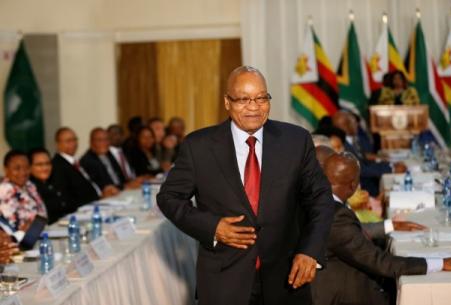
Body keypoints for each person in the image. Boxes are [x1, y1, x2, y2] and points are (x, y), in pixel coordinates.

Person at [157, 66, 335, 305]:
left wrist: (310, 250)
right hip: (224, 281)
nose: (254, 106)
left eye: (261, 98)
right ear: (227, 102)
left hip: (287, 280)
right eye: (243, 99)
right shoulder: (198, 146)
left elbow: (320, 198)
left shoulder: (296, 140)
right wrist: (212, 227)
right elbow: (169, 197)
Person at [311, 153, 451, 305]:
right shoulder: (334, 214)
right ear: (353, 185)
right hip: (343, 294)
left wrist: (390, 225)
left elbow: (350, 237)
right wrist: (441, 263)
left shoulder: (320, 201)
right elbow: (380, 262)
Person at [332, 110, 406, 196]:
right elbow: (361, 170)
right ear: (345, 126)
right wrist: (391, 169)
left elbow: (362, 157)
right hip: (365, 189)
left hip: (369, 181)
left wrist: (388, 163)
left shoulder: (350, 141)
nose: (357, 126)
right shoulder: (342, 145)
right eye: (355, 123)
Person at [51, 127, 107, 208]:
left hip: (98, 202)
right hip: (84, 208)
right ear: (57, 144)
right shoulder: (57, 166)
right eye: (68, 141)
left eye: (75, 140)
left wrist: (102, 193)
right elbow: (69, 196)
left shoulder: (75, 161)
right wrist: (98, 198)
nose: (73, 144)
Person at [0, 150, 48, 241]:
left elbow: (42, 215)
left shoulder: (29, 185)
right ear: (6, 169)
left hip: (39, 236)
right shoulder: (5, 190)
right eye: (17, 168)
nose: (23, 172)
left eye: (26, 168)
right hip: (22, 244)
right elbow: (13, 230)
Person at [81, 127, 141, 192]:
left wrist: (133, 181)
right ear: (91, 142)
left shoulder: (109, 154)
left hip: (121, 191)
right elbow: (103, 186)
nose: (104, 143)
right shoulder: (88, 161)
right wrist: (124, 186)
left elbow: (120, 176)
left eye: (107, 139)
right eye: (100, 140)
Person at [29, 148, 77, 224]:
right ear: (30, 167)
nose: (45, 168)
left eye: (48, 163)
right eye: (39, 165)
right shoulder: (30, 189)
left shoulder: (57, 180)